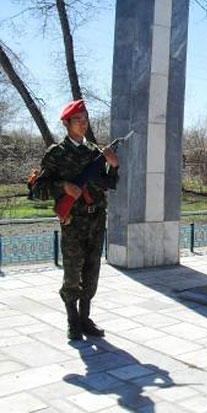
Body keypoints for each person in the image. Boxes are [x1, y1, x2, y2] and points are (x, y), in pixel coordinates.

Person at [33, 99, 119, 340]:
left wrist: (113, 166)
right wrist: (63, 186)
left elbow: (109, 184)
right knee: (72, 273)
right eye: (78, 120)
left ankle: (85, 318)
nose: (83, 123)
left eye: (85, 119)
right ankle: (72, 321)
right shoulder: (57, 154)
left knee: (92, 273)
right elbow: (38, 190)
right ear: (66, 123)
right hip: (73, 221)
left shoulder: (94, 152)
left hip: (96, 220)